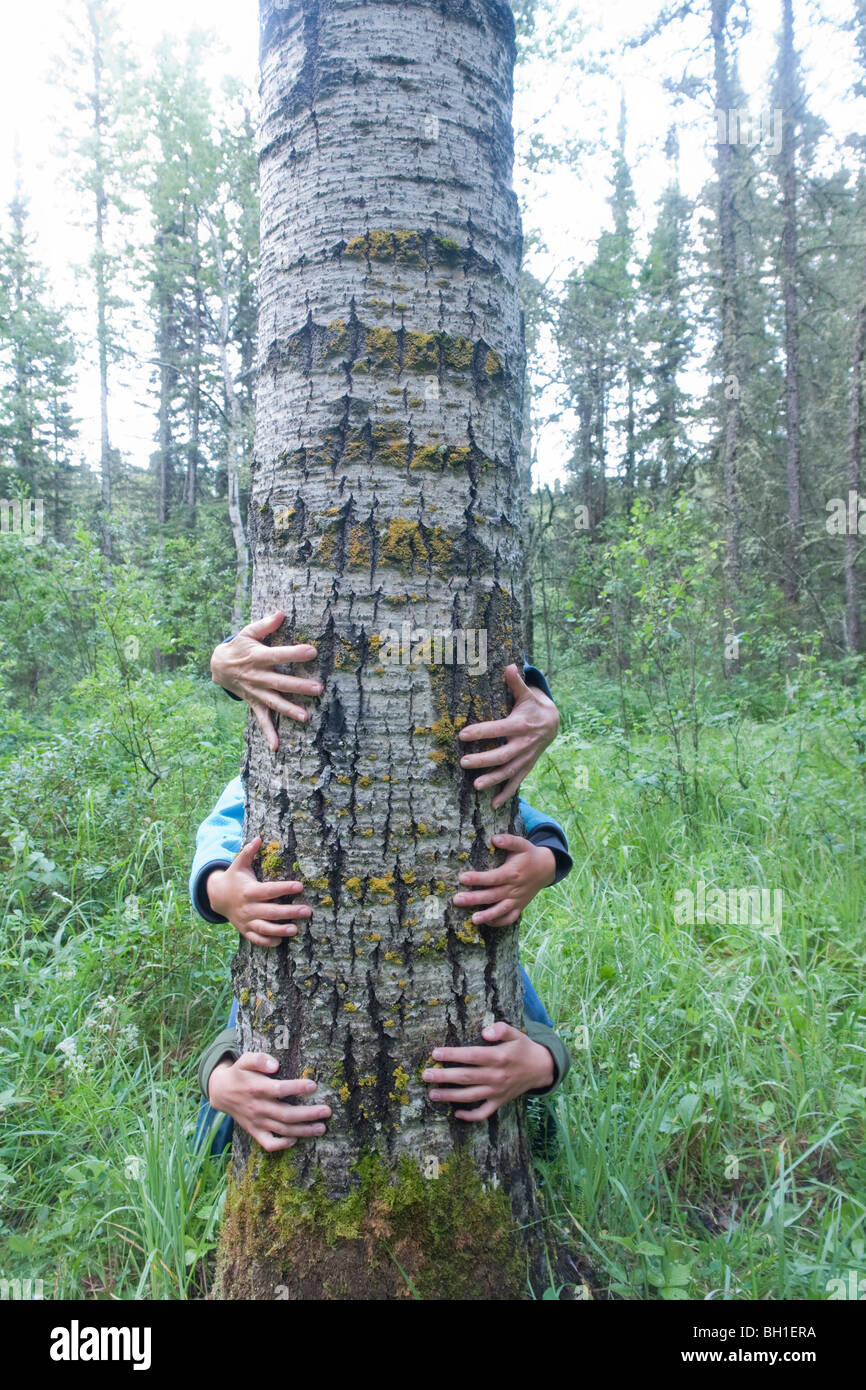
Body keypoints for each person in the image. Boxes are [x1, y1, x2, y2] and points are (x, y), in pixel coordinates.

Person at [191, 774, 572, 1153]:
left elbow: (522, 816)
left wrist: (544, 862)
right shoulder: (270, 775)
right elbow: (224, 824)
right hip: (289, 969)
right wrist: (219, 889)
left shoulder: (452, 772)